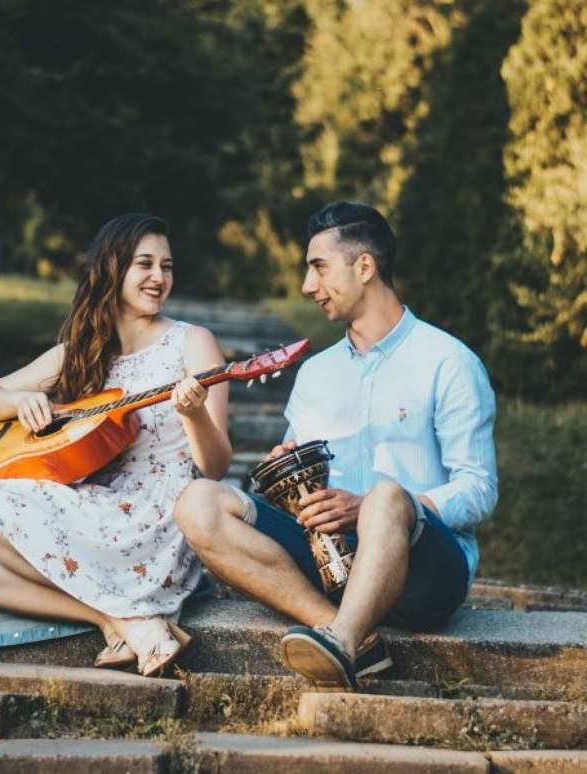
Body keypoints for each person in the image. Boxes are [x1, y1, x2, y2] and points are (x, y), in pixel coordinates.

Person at [175, 201, 497, 690]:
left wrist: (372, 510)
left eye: (319, 268)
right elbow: (296, 483)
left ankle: (342, 642)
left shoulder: (448, 362)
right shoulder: (316, 374)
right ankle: (349, 635)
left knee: (388, 496)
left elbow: (479, 490)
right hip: (329, 563)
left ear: (364, 266)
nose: (308, 287)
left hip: (424, 572)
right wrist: (280, 476)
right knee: (199, 502)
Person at [0, 213, 231, 677]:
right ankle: (117, 619)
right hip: (95, 506)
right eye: (144, 264)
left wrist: (193, 415)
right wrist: (23, 400)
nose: (158, 277)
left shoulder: (192, 343)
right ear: (113, 268)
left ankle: (128, 615)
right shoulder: (83, 349)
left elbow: (217, 466)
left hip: (158, 522)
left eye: (166, 267)